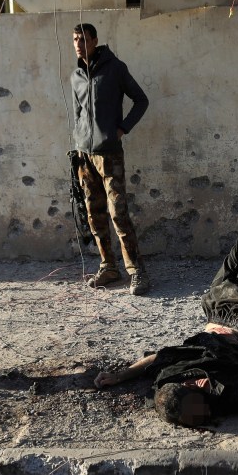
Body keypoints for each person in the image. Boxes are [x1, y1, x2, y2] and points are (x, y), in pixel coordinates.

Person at [94, 100, 238, 458]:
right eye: (204, 397)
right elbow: (156, 358)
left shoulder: (227, 385)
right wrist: (124, 374)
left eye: (199, 389)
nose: (206, 387)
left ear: (186, 383)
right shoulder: (168, 375)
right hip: (217, 300)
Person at [70, 23, 151, 295]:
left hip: (109, 154)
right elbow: (77, 113)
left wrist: (123, 128)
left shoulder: (115, 68)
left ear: (94, 41)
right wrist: (78, 141)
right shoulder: (76, 76)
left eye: (83, 39)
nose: (79, 44)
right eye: (75, 39)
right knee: (94, 214)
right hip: (84, 156)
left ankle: (137, 271)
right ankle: (108, 266)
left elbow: (141, 100)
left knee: (118, 213)